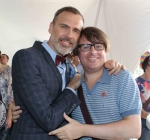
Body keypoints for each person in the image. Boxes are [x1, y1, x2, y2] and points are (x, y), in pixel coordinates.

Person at [11, 7, 124, 140]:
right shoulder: (27, 57)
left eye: (76, 30)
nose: (69, 35)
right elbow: (48, 120)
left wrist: (106, 64)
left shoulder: (70, 66)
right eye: (64, 27)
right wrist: (71, 87)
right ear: (51, 27)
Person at [49, 27, 142, 140]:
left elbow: (133, 129)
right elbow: (50, 111)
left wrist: (82, 130)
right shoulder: (71, 84)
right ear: (77, 53)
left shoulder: (122, 77)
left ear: (105, 50)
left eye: (98, 46)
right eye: (85, 47)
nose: (93, 52)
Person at [136, 51, 150, 140]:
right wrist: (143, 113)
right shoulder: (136, 82)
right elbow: (133, 103)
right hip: (143, 121)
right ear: (144, 65)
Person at [0, 52, 13, 140]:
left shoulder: (9, 70)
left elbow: (11, 93)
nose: (1, 58)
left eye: (3, 57)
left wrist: (9, 116)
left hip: (4, 110)